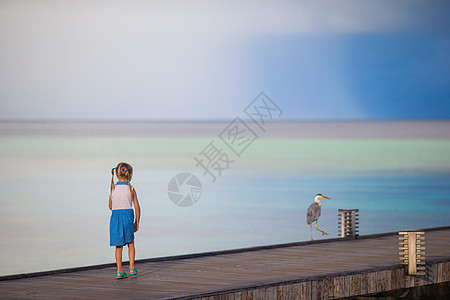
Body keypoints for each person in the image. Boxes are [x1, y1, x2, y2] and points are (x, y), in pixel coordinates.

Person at [109, 162, 141, 279]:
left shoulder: (112, 189)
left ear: (117, 174)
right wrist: (137, 222)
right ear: (130, 175)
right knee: (131, 243)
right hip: (127, 217)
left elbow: (110, 206)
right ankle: (132, 268)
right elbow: (137, 207)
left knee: (119, 245)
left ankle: (119, 271)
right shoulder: (131, 188)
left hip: (116, 218)